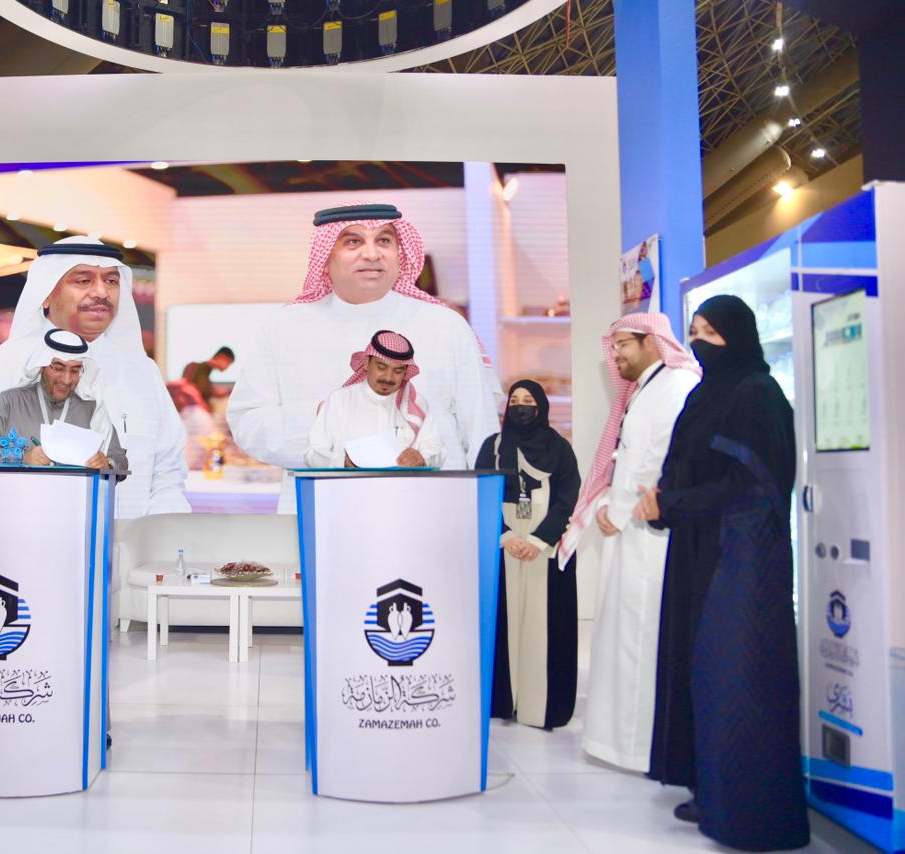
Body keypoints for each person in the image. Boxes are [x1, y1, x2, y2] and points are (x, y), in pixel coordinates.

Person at [634, 295, 807, 850]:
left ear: (740, 336)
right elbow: (688, 466)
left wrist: (673, 503)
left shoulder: (759, 394)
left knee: (739, 677)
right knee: (702, 674)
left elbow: (749, 486)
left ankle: (749, 811)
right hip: (699, 549)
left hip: (742, 560)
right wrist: (664, 502)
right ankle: (710, 788)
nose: (701, 341)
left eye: (712, 332)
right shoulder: (707, 393)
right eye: (695, 331)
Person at [228, 203, 501, 505]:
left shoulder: (445, 325)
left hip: (433, 507)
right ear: (326, 256)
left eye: (383, 240)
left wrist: (490, 511)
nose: (372, 254)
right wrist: (325, 421)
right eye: (353, 241)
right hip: (322, 506)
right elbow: (248, 422)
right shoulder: (284, 327)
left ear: (399, 253)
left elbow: (482, 431)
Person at [557, 313, 700, 772]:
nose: (615, 353)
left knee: (639, 639)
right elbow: (625, 458)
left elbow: (658, 459)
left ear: (652, 343)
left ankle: (639, 748)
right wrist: (606, 505)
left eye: (623, 344)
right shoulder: (646, 388)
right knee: (619, 637)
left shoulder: (676, 385)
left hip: (647, 533)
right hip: (626, 529)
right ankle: (614, 741)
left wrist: (618, 512)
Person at [0, 237, 188, 518]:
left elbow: (168, 470)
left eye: (111, 281)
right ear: (47, 293)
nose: (101, 292)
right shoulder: (1, 370)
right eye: (83, 281)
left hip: (131, 541)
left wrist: (156, 534)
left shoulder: (142, 372)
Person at [474, 380, 579, 730]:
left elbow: (568, 496)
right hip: (503, 544)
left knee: (542, 626)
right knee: (503, 623)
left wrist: (537, 540)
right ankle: (503, 702)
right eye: (515, 400)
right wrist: (505, 536)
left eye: (528, 400)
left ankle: (540, 707)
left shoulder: (559, 449)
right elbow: (480, 493)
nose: (521, 407)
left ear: (541, 406)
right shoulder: (493, 446)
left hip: (545, 545)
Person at [0, 328, 128, 471]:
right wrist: (20, 458)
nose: (66, 380)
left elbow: (120, 459)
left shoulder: (91, 408)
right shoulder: (10, 402)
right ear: (42, 366)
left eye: (75, 371)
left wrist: (107, 463)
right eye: (58, 368)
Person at [305, 330, 445, 468]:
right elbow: (312, 453)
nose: (388, 378)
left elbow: (437, 451)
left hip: (401, 483)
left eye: (398, 371)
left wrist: (422, 457)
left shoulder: (416, 404)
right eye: (381, 367)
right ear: (367, 363)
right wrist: (341, 461)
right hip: (350, 483)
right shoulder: (340, 400)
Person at [182, 346, 235, 411]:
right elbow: (201, 391)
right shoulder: (199, 368)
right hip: (194, 409)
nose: (227, 367)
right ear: (222, 357)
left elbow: (209, 390)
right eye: (229, 363)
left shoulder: (205, 371)